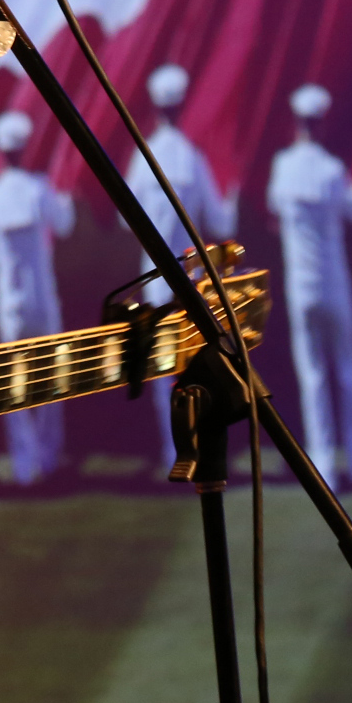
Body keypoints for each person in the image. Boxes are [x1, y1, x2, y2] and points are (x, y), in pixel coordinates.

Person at [128, 62, 238, 472]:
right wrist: (234, 193)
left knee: (163, 371)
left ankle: (174, 450)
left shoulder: (142, 160)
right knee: (197, 367)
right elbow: (221, 223)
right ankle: (202, 445)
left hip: (156, 281)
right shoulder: (192, 159)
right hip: (189, 280)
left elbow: (126, 220)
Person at [265, 82, 352, 488]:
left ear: (297, 123)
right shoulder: (333, 170)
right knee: (347, 369)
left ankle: (325, 466)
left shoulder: (283, 167)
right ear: (322, 124)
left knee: (312, 375)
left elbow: (275, 207)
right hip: (333, 284)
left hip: (302, 288)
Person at [0, 107, 74, 485]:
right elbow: (64, 226)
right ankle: (45, 460)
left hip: (10, 300)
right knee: (51, 375)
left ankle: (24, 464)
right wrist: (61, 195)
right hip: (42, 298)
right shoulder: (38, 188)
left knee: (12, 381)